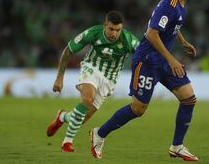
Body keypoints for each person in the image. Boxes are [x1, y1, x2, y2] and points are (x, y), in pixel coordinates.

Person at [90, 0, 200, 161]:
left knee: (189, 98)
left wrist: (182, 42)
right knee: (138, 109)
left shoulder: (181, 4)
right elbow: (151, 34)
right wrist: (172, 58)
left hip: (163, 60)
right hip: (147, 61)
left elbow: (172, 26)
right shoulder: (170, 5)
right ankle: (99, 133)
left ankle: (177, 146)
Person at [46, 11, 139, 152]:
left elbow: (144, 55)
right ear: (105, 25)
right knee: (87, 99)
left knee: (82, 118)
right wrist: (59, 77)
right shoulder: (94, 33)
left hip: (109, 79)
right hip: (91, 68)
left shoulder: (128, 39)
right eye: (111, 29)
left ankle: (62, 117)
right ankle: (67, 141)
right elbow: (68, 50)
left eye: (118, 30)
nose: (114, 33)